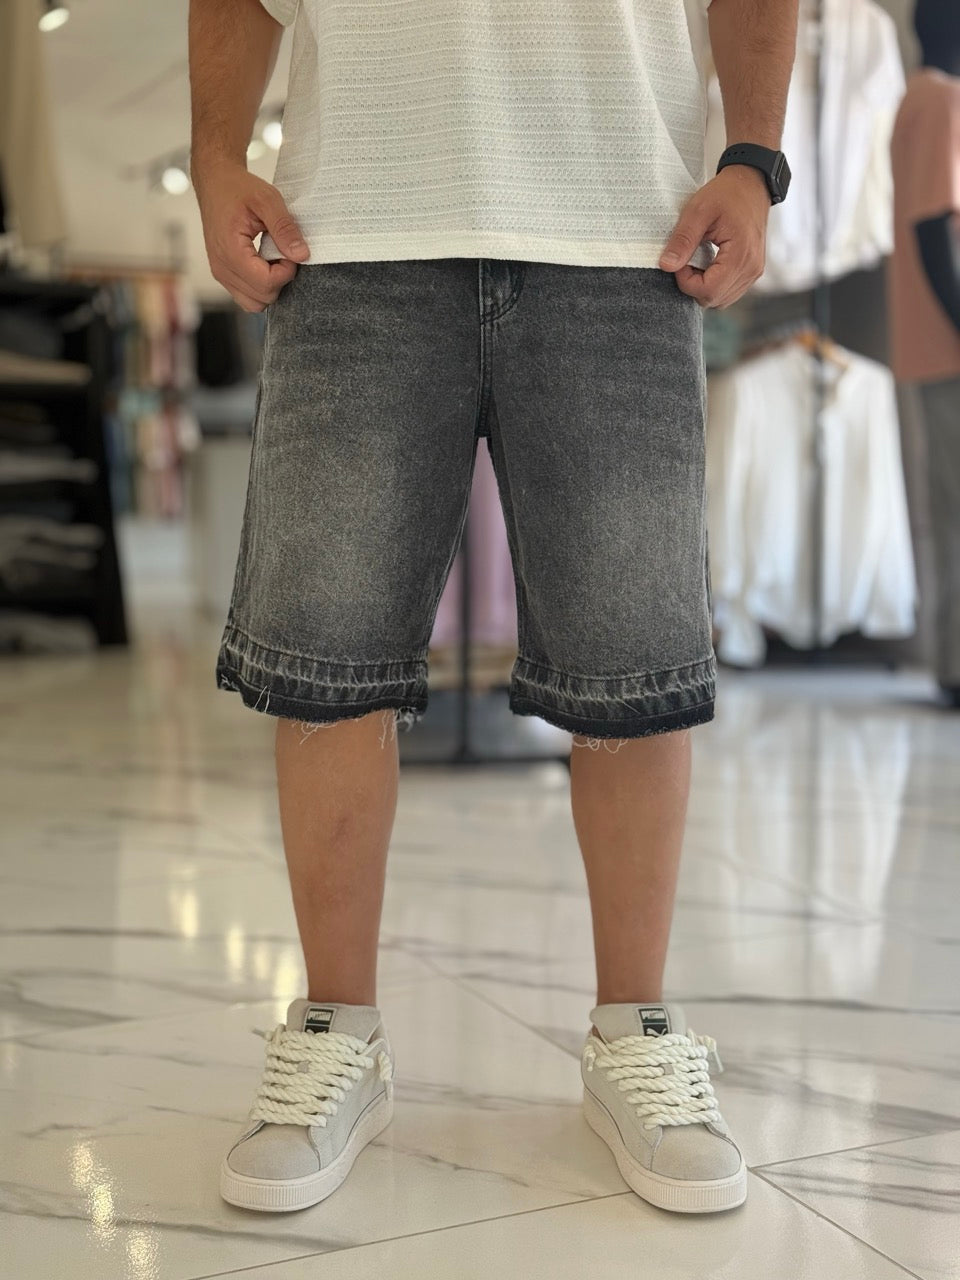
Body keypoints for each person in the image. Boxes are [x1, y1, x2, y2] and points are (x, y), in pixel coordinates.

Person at [189, 0, 796, 1216]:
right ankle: (336, 1026)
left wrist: (754, 158)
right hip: (350, 222)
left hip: (625, 222)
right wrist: (214, 155)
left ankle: (636, 1026)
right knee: (325, 655)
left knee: (634, 660)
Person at [890, 0, 960, 709]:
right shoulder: (942, 99)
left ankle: (950, 661)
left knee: (949, 509)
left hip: (930, 341)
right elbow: (932, 227)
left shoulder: (915, 98)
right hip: (950, 343)